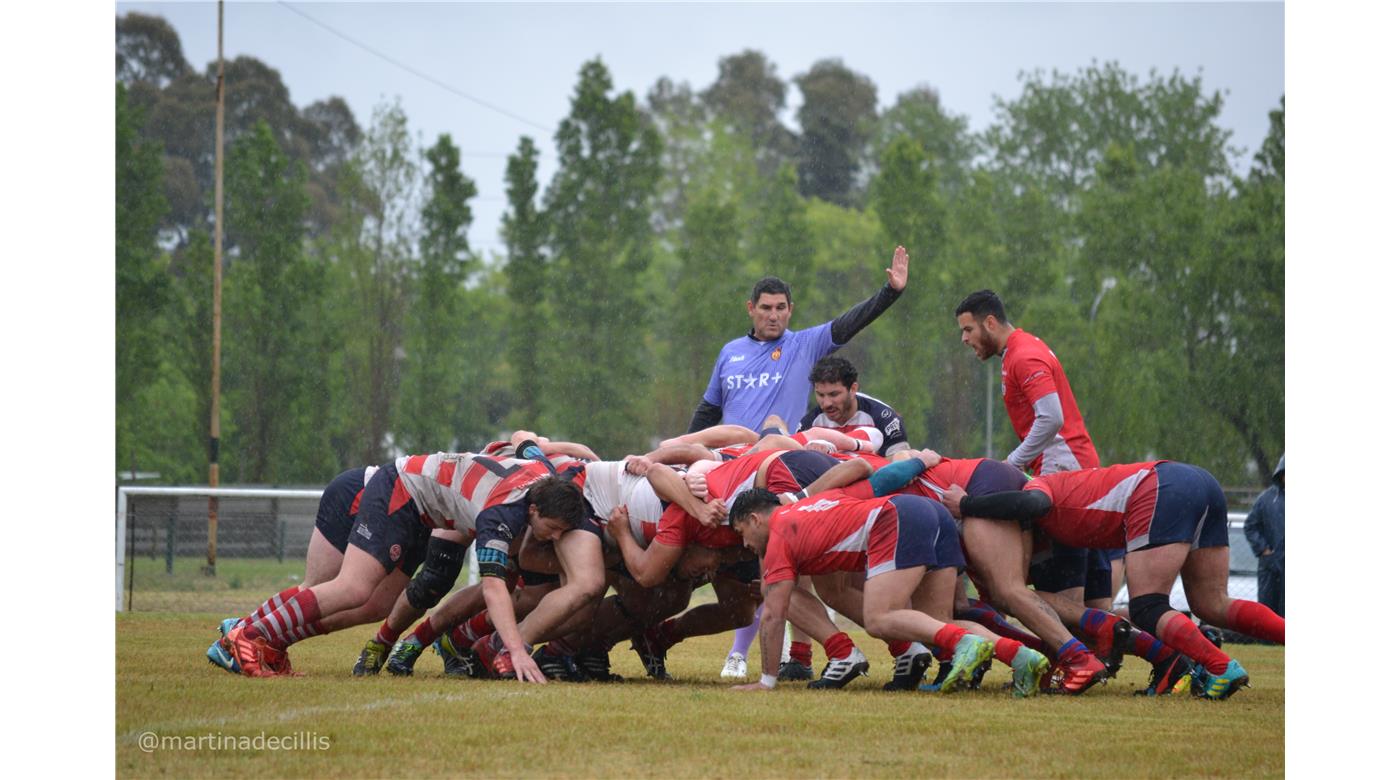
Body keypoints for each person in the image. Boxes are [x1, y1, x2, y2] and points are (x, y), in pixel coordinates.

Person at [939, 459, 1286, 700]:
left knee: (1148, 607)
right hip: (1198, 482)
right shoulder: (1074, 498)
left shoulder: (1042, 484)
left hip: (1161, 487)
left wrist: (968, 504)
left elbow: (1031, 501)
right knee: (1212, 604)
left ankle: (1219, 666)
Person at [727, 489, 1050, 696]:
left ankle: (966, 644)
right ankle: (1022, 656)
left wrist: (766, 681)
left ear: (755, 519)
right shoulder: (808, 509)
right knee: (934, 623)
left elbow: (773, 612)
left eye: (742, 533)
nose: (745, 544)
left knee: (880, 618)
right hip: (928, 511)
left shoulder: (780, 533)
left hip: (896, 516)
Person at [687, 246, 909, 434]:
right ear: (751, 308)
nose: (774, 316)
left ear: (790, 310)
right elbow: (709, 411)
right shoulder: (729, 352)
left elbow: (850, 323)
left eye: (780, 308)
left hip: (779, 458)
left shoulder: (804, 345)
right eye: (766, 308)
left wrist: (890, 292)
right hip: (732, 461)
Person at [796, 355, 910, 458]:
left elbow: (901, 464)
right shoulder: (810, 423)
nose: (826, 403)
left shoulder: (884, 418)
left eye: (834, 394)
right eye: (820, 395)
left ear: (853, 389)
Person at [1245, 455, 1285, 618]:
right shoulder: (1266, 499)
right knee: (1267, 608)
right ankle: (1266, 642)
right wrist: (1263, 549)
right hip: (1270, 564)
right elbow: (1250, 526)